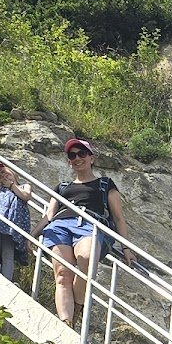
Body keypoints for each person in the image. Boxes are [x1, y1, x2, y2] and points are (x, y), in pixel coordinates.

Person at [37, 137, 128, 326]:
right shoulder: (62, 187)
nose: (77, 158)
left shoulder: (105, 184)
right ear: (69, 162)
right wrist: (31, 236)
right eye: (72, 155)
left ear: (92, 158)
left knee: (86, 258)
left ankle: (77, 306)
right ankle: (66, 321)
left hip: (89, 224)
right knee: (62, 274)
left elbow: (118, 217)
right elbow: (49, 216)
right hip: (60, 225)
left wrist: (126, 248)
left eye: (82, 153)